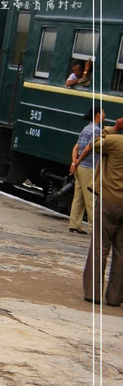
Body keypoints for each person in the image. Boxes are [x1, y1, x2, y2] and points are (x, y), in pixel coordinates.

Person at [82, 116, 123, 306]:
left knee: (101, 246)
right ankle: (115, 297)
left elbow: (95, 143)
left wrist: (114, 128)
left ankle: (93, 293)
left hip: (109, 201)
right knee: (121, 251)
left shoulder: (115, 141)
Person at [68, 105, 104, 234]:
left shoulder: (86, 128)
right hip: (89, 167)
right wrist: (79, 161)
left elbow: (76, 147)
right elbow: (88, 148)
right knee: (91, 198)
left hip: (80, 168)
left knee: (79, 197)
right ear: (98, 114)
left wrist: (74, 162)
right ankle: (94, 228)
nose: (105, 115)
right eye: (103, 112)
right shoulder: (96, 130)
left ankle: (74, 223)